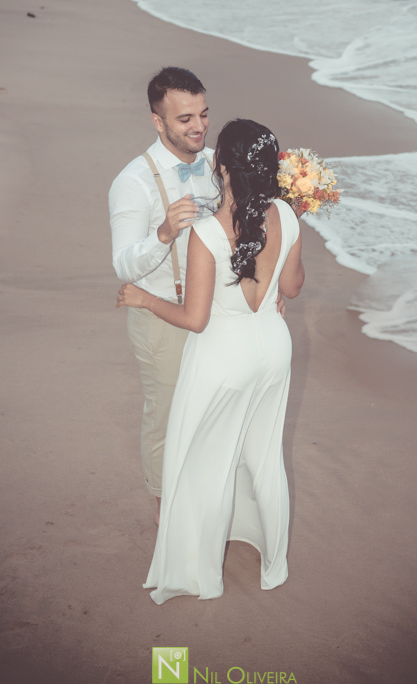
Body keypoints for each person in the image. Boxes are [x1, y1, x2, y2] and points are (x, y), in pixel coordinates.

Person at [117, 119, 305, 603]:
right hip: (274, 350)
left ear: (221, 169)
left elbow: (195, 319)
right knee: (265, 459)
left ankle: (200, 572)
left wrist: (144, 300)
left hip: (224, 359)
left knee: (203, 461)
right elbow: (291, 288)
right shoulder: (287, 211)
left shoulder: (207, 232)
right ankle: (274, 566)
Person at [108, 67, 217, 523]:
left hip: (216, 312)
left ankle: (206, 505)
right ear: (159, 122)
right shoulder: (132, 182)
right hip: (161, 319)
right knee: (168, 420)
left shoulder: (216, 163)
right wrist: (164, 232)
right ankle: (168, 520)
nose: (198, 127)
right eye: (185, 118)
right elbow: (124, 266)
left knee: (211, 413)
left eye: (204, 114)